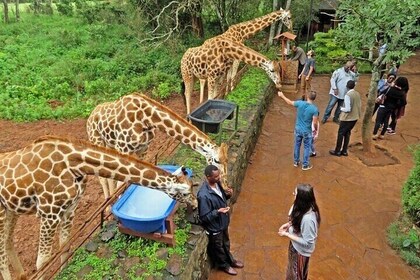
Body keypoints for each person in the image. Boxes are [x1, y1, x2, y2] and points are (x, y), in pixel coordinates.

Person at [197, 165, 244, 276]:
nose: (219, 177)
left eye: (219, 175)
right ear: (208, 177)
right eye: (216, 176)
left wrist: (228, 195)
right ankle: (224, 265)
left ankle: (231, 260)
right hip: (214, 227)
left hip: (222, 223)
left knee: (226, 244)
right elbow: (204, 217)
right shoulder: (203, 195)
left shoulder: (217, 184)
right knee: (219, 249)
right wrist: (218, 212)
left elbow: (220, 199)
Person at [278, 183, 321, 280]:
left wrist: (287, 234)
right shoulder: (301, 207)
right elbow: (295, 219)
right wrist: (288, 225)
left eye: (295, 194)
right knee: (292, 272)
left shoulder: (308, 220)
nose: (293, 194)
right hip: (295, 247)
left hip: (301, 252)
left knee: (297, 275)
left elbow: (308, 243)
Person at [278, 91, 319, 170]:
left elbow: (289, 102)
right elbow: (314, 123)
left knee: (297, 145)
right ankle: (305, 165)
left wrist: (282, 96)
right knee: (307, 147)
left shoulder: (300, 103)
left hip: (298, 129)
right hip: (307, 131)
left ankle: (296, 162)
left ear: (307, 96)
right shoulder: (314, 109)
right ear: (314, 99)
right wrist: (315, 130)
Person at [329, 80, 361, 157]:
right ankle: (344, 151)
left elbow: (347, 109)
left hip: (347, 118)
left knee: (341, 134)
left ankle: (337, 151)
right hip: (355, 117)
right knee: (347, 133)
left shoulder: (348, 95)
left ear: (347, 86)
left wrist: (341, 108)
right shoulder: (357, 94)